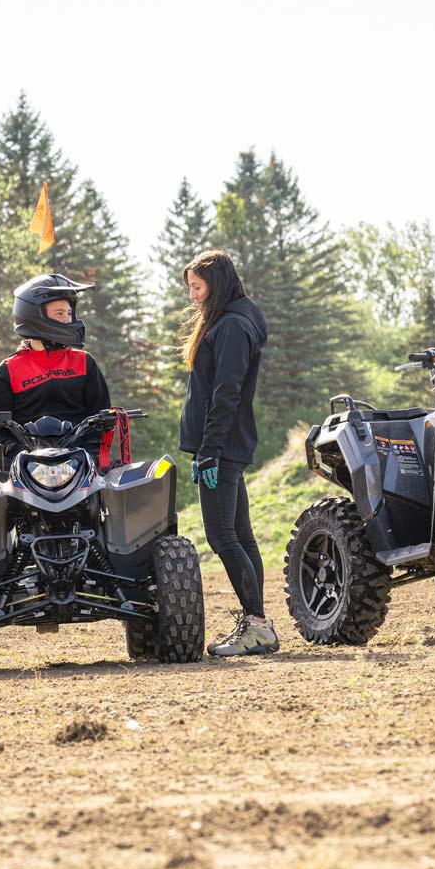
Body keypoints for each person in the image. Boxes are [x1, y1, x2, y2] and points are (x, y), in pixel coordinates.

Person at [176, 249, 274, 657]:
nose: (193, 296)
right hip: (226, 444)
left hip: (222, 445)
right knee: (240, 534)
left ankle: (257, 625)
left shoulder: (233, 325)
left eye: (198, 288)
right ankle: (259, 624)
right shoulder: (230, 319)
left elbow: (227, 393)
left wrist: (209, 451)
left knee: (221, 535)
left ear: (216, 285)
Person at [0, 273, 112, 469]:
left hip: (82, 463)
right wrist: (16, 452)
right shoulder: (9, 369)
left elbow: (104, 418)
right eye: (60, 313)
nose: (68, 319)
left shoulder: (85, 362)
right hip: (24, 466)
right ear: (34, 315)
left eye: (69, 313)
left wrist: (89, 454)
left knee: (127, 481)